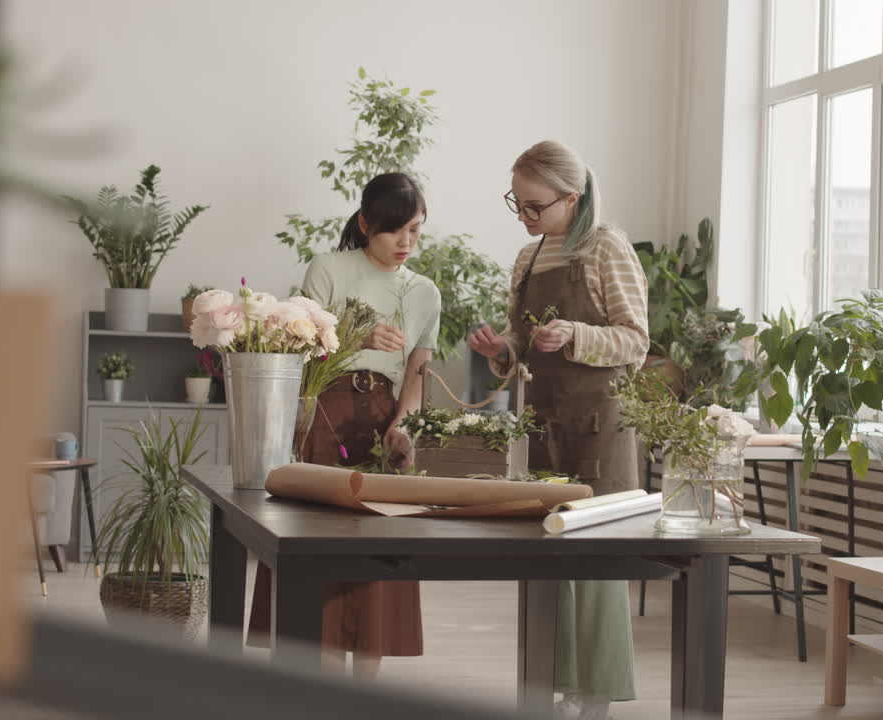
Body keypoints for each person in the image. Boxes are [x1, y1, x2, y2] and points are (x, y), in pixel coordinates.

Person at [468, 141, 648, 719]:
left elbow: (636, 341)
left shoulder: (607, 249)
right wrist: (503, 350)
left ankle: (594, 697)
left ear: (573, 198)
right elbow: (521, 350)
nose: (525, 217)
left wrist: (574, 334)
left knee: (597, 562)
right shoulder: (528, 258)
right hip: (544, 423)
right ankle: (548, 685)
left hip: (602, 425)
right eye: (516, 204)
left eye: (535, 206)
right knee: (547, 555)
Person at [248, 172, 442, 679]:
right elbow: (303, 350)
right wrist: (357, 336)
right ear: (365, 224)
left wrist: (406, 427)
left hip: (382, 423)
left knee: (379, 554)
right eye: (394, 230)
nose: (406, 243)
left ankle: (364, 696)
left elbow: (417, 380)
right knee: (320, 548)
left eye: (416, 231)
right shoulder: (329, 269)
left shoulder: (425, 293)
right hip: (325, 414)